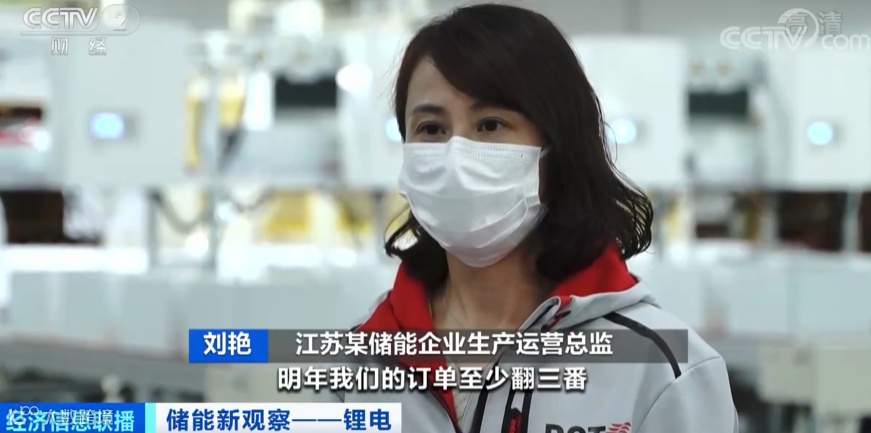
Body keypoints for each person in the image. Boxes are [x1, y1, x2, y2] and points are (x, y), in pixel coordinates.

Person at [318, 3, 738, 432]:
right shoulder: (357, 367)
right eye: (431, 128)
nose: (456, 157)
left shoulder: (664, 372)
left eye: (490, 124)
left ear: (556, 147)